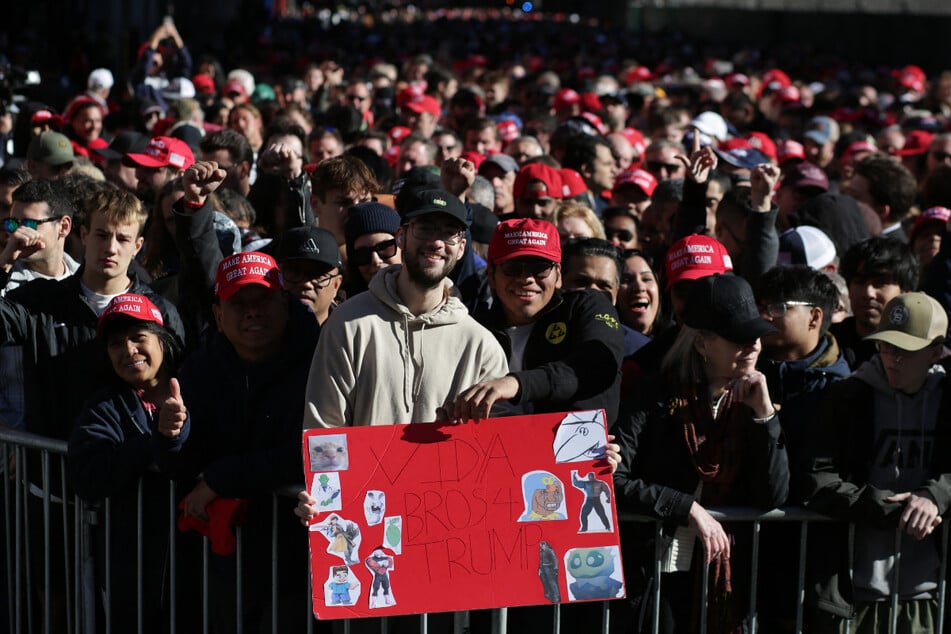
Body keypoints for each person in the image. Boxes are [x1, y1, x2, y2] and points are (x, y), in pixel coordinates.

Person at [612, 273, 789, 634]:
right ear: (701, 344)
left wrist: (765, 416)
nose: (753, 345)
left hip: (730, 576)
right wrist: (687, 508)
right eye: (739, 338)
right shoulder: (655, 395)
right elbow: (612, 479)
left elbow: (774, 495)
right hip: (656, 576)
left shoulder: (760, 393)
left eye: (755, 335)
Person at [301, 187, 509, 429]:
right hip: (364, 468)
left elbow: (495, 445)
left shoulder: (482, 347)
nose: (436, 242)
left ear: (461, 247)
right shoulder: (348, 324)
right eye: (425, 229)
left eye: (449, 233)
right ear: (401, 236)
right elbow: (324, 432)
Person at [803, 292, 950, 633]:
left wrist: (936, 495)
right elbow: (816, 478)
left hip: (929, 594)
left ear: (936, 349)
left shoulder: (949, 401)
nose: (892, 357)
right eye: (886, 346)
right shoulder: (847, 396)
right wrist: (882, 507)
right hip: (852, 594)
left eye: (906, 348)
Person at [67, 293, 187, 633]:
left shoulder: (198, 388)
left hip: (200, 564)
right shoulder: (104, 406)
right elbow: (86, 473)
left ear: (162, 341)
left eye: (138, 338)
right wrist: (153, 443)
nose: (129, 351)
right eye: (117, 343)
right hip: (133, 569)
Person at [451, 217, 626, 427]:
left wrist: (516, 383)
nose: (526, 278)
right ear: (491, 275)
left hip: (576, 453)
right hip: (494, 453)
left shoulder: (586, 306)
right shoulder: (475, 329)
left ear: (558, 275)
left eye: (540, 268)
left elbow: (597, 365)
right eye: (512, 267)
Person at [830, 237, 919, 369]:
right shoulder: (827, 343)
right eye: (860, 282)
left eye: (881, 283)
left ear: (906, 291)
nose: (868, 293)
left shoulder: (920, 351)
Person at [275, 225, 342, 324]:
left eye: (318, 274)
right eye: (294, 271)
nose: (306, 284)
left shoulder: (350, 333)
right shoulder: (257, 335)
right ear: (278, 276)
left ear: (336, 285)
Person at [341, 200, 402, 298]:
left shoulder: (431, 296)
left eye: (384, 247)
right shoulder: (344, 309)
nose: (375, 260)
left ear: (403, 245)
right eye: (362, 254)